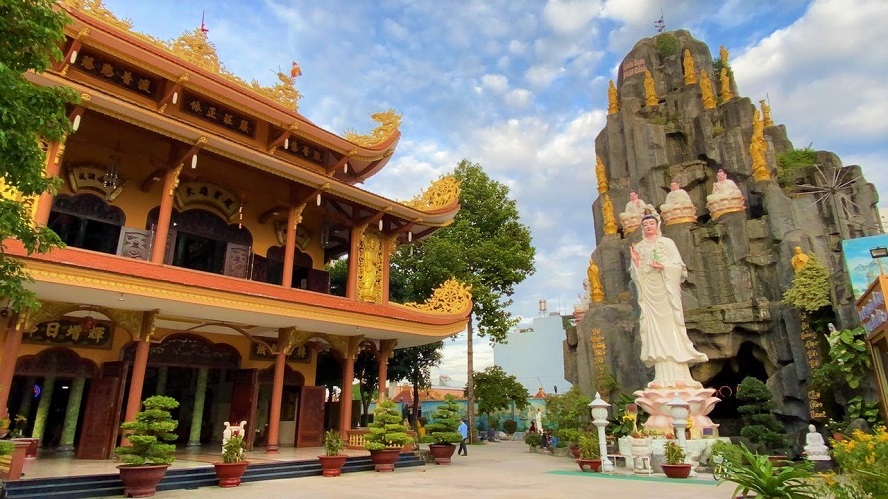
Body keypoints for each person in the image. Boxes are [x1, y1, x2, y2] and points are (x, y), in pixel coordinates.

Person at [629, 211, 708, 388]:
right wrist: (635, 263)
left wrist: (664, 267)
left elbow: (678, 267)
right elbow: (637, 275)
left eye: (651, 223)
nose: (648, 227)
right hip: (649, 293)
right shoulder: (640, 247)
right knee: (652, 328)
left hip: (666, 291)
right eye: (645, 225)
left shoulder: (667, 243)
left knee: (671, 325)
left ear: (657, 225)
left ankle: (680, 374)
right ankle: (661, 376)